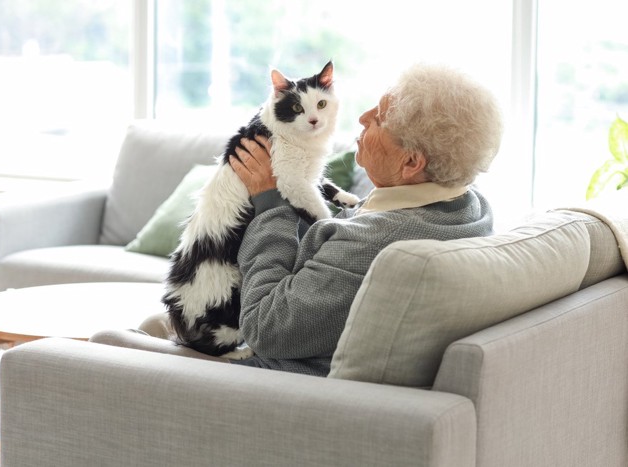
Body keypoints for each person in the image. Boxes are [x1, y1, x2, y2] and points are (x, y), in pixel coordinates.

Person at [90, 63, 504, 376]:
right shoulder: (469, 207)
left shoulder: (372, 245)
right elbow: (360, 226)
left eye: (378, 118)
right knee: (158, 321)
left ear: (412, 162)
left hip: (275, 382)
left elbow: (267, 328)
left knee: (105, 343)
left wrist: (268, 203)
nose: (360, 119)